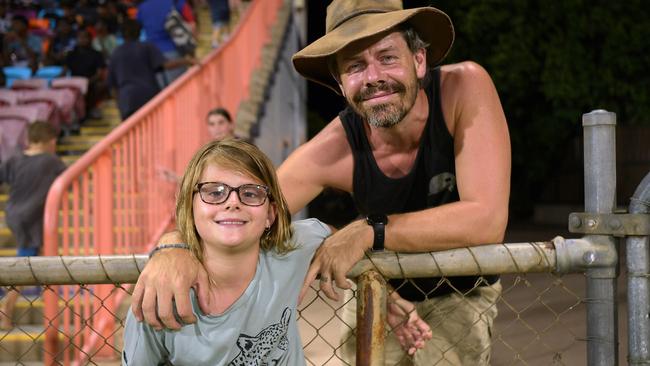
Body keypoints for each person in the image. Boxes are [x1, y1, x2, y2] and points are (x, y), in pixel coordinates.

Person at [133, 0, 511, 364]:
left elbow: (487, 220)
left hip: (460, 286)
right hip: (379, 287)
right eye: (355, 66)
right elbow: (248, 207)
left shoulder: (462, 90)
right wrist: (173, 246)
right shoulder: (334, 148)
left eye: (388, 57)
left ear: (419, 60)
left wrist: (369, 231)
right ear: (340, 83)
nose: (374, 77)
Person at [122, 139, 429, 364]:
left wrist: (387, 297)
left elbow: (336, 239)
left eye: (250, 193)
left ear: (270, 214)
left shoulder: (290, 250)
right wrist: (171, 245)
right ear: (190, 207)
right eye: (214, 192)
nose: (232, 202)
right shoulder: (161, 293)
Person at [0, 121, 67, 330]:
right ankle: (6, 306)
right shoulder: (51, 161)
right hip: (31, 216)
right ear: (51, 141)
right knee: (25, 260)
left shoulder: (15, 159)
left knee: (37, 253)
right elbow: (68, 178)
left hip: (13, 214)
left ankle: (46, 295)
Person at [108, 19, 194, 120]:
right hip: (148, 96)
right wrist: (187, 61)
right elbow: (166, 65)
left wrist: (120, 104)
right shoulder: (146, 47)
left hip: (127, 100)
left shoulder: (115, 53)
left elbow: (112, 86)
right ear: (139, 31)